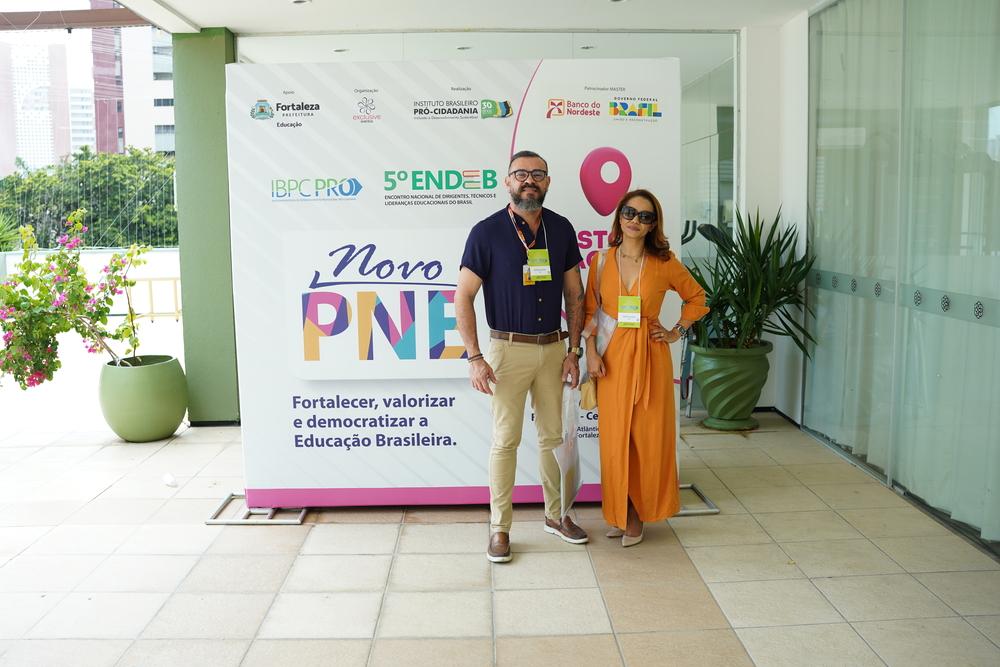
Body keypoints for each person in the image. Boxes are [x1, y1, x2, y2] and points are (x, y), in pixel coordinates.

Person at [456, 150, 589, 563]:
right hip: (506, 351)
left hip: (553, 349)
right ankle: (499, 528)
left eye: (537, 174)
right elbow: (463, 297)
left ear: (547, 182)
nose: (529, 180)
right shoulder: (486, 232)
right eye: (521, 174)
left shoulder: (561, 229)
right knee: (505, 440)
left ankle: (557, 515)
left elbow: (575, 295)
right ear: (507, 181)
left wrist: (574, 350)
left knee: (553, 438)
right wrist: (475, 357)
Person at [583, 189, 709, 547]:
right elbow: (591, 313)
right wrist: (590, 354)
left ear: (654, 224)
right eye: (629, 212)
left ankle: (638, 513)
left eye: (645, 216)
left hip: (651, 357)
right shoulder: (601, 261)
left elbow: (698, 298)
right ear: (619, 216)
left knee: (647, 439)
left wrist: (675, 331)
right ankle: (619, 511)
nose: (635, 220)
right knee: (615, 439)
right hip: (612, 358)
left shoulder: (664, 262)